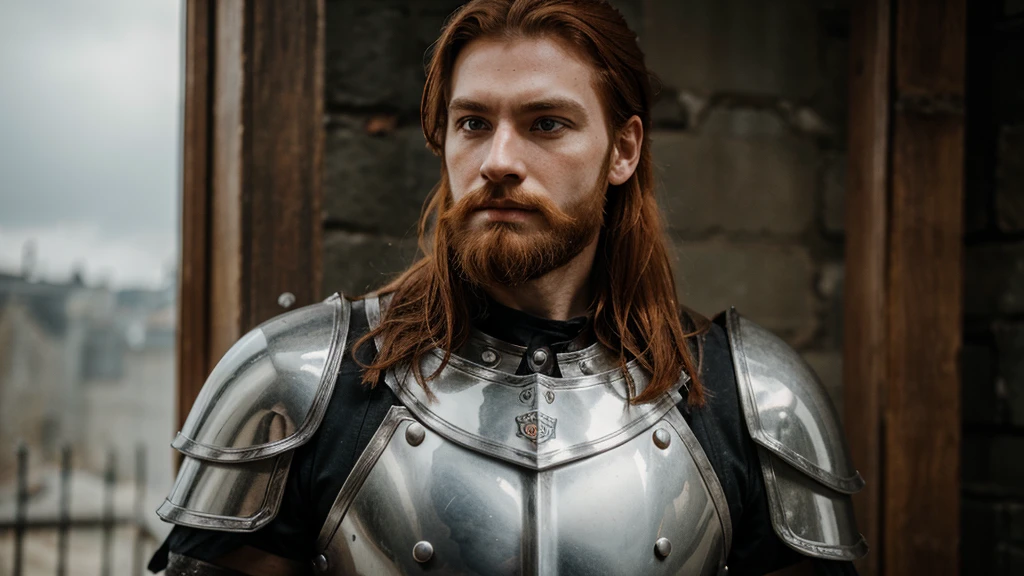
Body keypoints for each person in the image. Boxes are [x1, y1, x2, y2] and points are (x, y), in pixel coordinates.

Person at [149, 0, 867, 574]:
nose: (498, 160)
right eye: (472, 123)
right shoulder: (296, 382)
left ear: (622, 150)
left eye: (546, 124)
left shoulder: (754, 399)